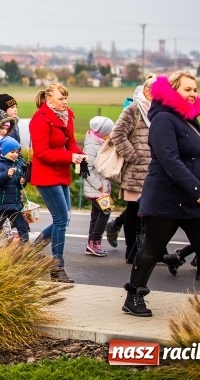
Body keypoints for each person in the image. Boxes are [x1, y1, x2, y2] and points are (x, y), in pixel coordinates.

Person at [122, 71, 200, 317]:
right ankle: (134, 296)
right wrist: (198, 190)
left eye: (195, 90)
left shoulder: (189, 120)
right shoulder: (164, 119)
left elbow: (198, 159)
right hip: (167, 197)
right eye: (187, 89)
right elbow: (169, 160)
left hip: (193, 199)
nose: (193, 94)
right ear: (172, 91)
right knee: (152, 249)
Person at [29, 82, 85, 283]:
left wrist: (79, 155)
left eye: (66, 98)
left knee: (65, 219)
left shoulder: (67, 115)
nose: (65, 102)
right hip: (46, 174)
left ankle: (33, 250)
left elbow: (70, 143)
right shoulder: (40, 119)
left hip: (61, 172)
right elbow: (42, 153)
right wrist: (70, 158)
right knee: (61, 218)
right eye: (61, 98)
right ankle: (57, 267)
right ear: (48, 99)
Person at [105, 74, 156, 262]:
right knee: (134, 210)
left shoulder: (160, 111)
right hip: (135, 170)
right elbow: (117, 134)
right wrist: (133, 156)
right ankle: (131, 250)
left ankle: (147, 249)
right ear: (146, 91)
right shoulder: (134, 110)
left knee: (151, 211)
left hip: (154, 170)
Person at [83, 116, 115, 257]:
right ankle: (95, 241)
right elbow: (86, 170)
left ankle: (91, 243)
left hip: (100, 188)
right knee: (105, 212)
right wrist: (100, 185)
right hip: (96, 188)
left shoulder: (99, 142)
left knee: (96, 215)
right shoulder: (91, 146)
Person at [0, 136, 29, 241]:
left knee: (23, 228)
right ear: (5, 151)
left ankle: (23, 252)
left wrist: (21, 182)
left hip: (15, 204)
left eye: (17, 152)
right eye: (12, 152)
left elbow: (18, 186)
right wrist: (6, 175)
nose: (15, 154)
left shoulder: (18, 166)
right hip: (1, 204)